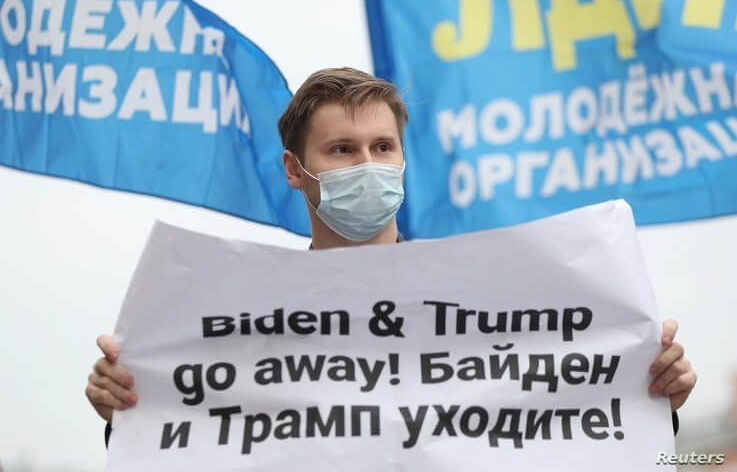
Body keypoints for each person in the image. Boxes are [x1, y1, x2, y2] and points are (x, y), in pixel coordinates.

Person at [85, 67, 697, 444]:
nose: (369, 165)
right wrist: (128, 411)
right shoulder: (234, 321)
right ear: (295, 171)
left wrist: (649, 405)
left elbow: (569, 439)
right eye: (343, 150)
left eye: (383, 146)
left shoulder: (485, 309)